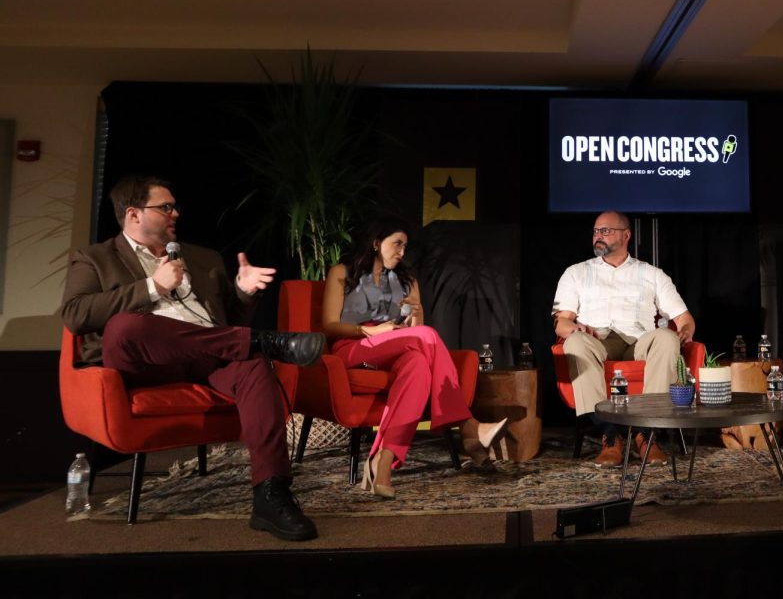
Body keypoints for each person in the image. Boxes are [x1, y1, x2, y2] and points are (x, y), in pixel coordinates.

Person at [60, 175, 324, 541]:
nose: (175, 213)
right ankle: (265, 341)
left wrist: (243, 293)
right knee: (125, 327)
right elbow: (74, 313)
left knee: (251, 364)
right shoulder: (95, 258)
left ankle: (271, 492)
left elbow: (228, 326)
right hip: (141, 363)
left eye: (174, 206)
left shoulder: (202, 258)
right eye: (165, 207)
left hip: (205, 357)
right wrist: (154, 287)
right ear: (133, 214)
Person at [321, 218, 507, 497]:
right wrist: (369, 330)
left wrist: (416, 315)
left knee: (419, 365)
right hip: (354, 347)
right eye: (397, 244)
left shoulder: (407, 280)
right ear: (376, 243)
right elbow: (329, 325)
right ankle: (468, 427)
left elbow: (415, 335)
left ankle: (382, 462)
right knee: (429, 336)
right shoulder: (342, 272)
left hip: (396, 347)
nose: (402, 252)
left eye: (405, 246)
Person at [552, 210, 697, 467]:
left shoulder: (651, 274)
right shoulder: (575, 272)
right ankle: (610, 435)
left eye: (605, 231)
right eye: (596, 231)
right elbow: (561, 322)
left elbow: (684, 317)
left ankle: (647, 435)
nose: (599, 236)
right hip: (596, 341)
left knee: (666, 338)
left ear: (626, 235)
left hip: (637, 343)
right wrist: (574, 328)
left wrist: (684, 330)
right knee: (573, 342)